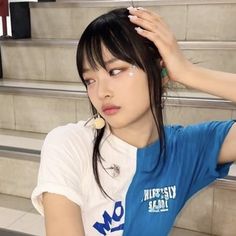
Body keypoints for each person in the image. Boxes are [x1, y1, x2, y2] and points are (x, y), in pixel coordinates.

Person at [31, 7, 236, 236]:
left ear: (160, 73)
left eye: (115, 71)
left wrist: (187, 72)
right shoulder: (69, 144)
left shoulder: (185, 150)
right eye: (90, 80)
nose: (101, 92)